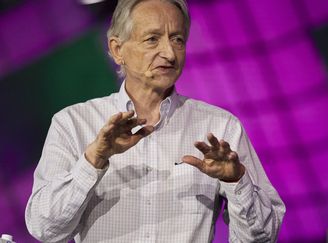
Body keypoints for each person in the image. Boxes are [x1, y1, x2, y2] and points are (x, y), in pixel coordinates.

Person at [25, 0, 286, 242]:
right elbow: (45, 230)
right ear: (117, 50)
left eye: (178, 39)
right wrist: (93, 160)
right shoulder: (73, 123)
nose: (170, 54)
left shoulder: (220, 127)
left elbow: (261, 237)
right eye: (152, 39)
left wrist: (236, 181)